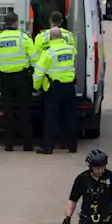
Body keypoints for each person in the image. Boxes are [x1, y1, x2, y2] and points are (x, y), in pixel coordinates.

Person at [0, 12, 35, 152]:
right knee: (25, 111)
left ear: (5, 23)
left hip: (5, 79)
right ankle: (27, 145)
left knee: (7, 112)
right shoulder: (23, 38)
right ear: (16, 23)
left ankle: (8, 145)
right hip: (22, 78)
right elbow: (35, 59)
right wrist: (34, 80)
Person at [32, 26, 77, 155]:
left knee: (51, 118)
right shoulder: (71, 49)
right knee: (70, 117)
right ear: (61, 36)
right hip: (69, 87)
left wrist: (36, 87)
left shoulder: (48, 53)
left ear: (50, 37)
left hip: (54, 88)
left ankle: (48, 147)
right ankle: (72, 146)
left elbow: (38, 73)